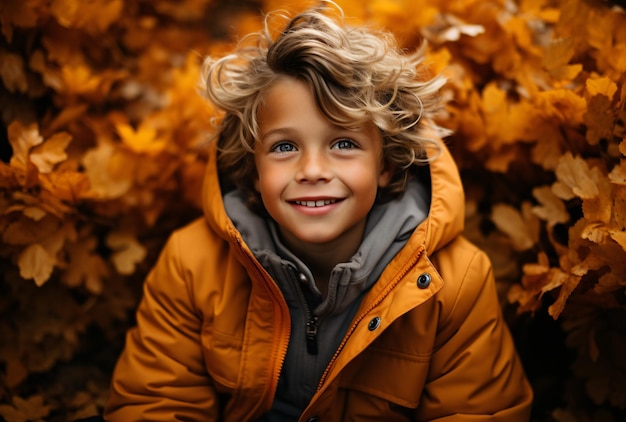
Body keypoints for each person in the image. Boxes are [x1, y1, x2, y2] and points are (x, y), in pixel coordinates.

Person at [104, 2, 533, 420]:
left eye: (344, 144)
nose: (312, 171)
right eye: (284, 147)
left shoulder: (454, 283)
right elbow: (153, 403)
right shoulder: (192, 263)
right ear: (253, 168)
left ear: (385, 165)